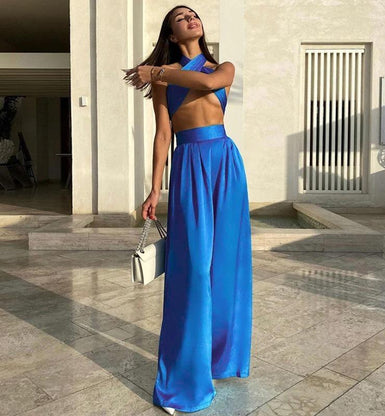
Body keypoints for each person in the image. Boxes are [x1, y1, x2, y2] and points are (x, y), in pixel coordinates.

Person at [123, 5, 252, 414]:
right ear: (171, 34)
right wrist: (154, 189)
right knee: (192, 270)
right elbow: (163, 134)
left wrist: (156, 71)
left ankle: (219, 357)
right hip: (190, 165)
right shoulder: (164, 82)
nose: (191, 18)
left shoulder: (222, 68)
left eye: (193, 14)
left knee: (225, 265)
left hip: (225, 164)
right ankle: (183, 379)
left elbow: (209, 82)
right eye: (181, 17)